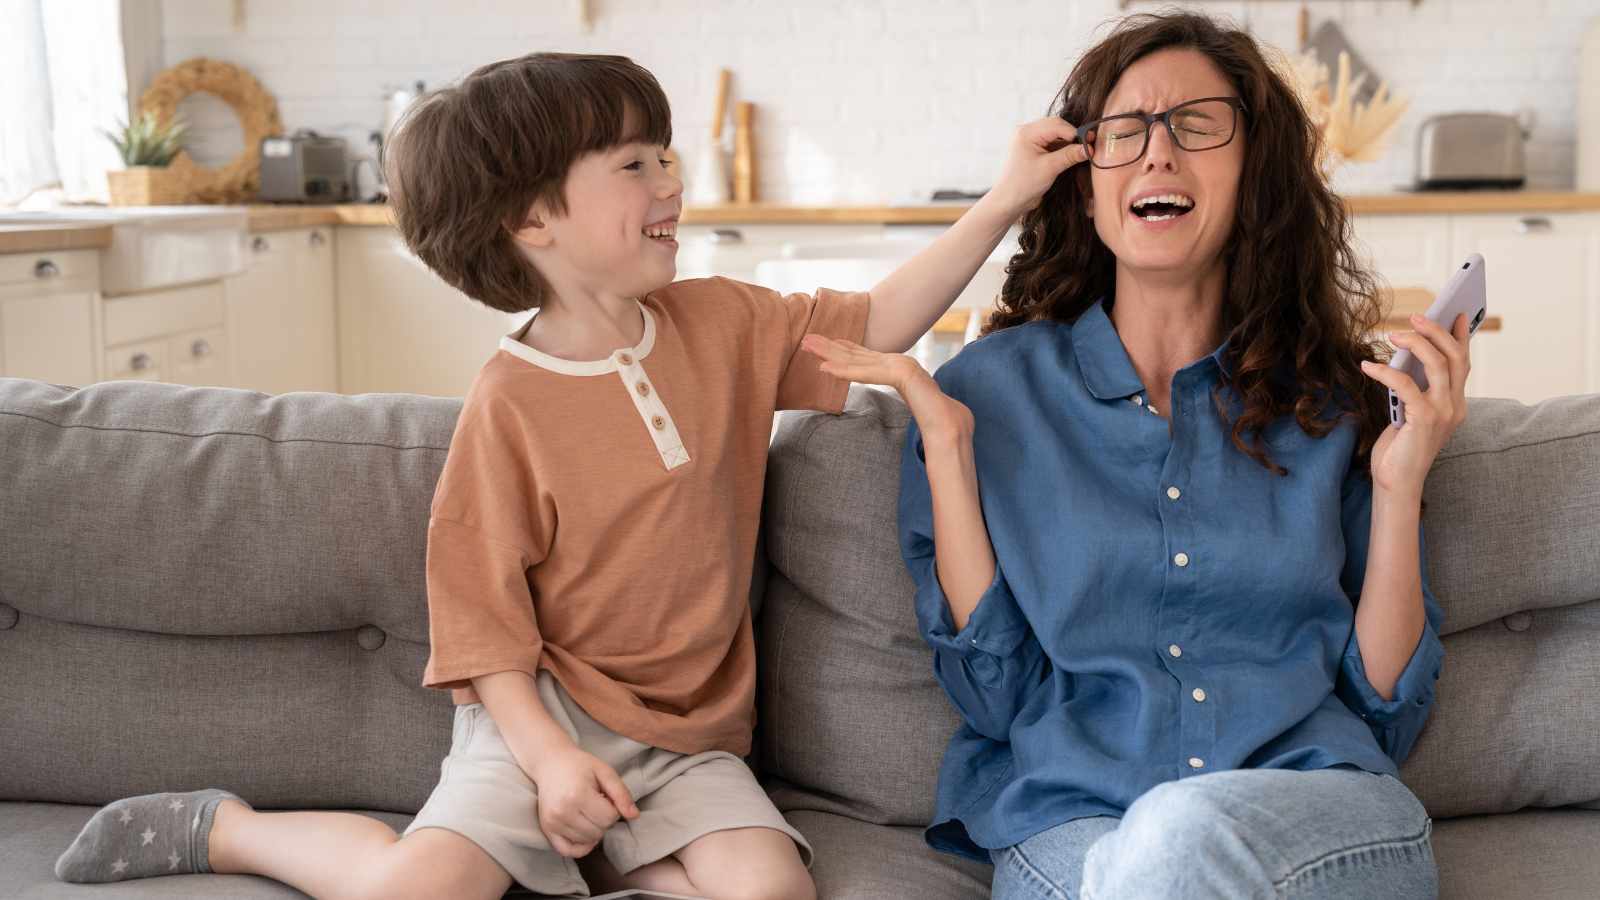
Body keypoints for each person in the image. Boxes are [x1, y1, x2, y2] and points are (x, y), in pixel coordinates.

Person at [54, 51, 1085, 900]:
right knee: (411, 892)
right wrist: (549, 762)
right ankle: (236, 833)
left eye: (664, 156)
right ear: (533, 220)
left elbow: (881, 322)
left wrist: (1004, 198)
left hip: (691, 739)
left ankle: (586, 858)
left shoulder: (725, 323)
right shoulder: (511, 403)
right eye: (633, 165)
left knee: (772, 892)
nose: (670, 181)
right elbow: (483, 624)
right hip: (542, 721)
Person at [802, 12, 1462, 899]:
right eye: (1124, 131)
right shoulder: (987, 395)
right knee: (1161, 852)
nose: (1159, 153)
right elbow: (996, 700)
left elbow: (1384, 707)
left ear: (1254, 173)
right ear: (1083, 185)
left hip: (1310, 812)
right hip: (1075, 823)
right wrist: (951, 451)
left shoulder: (1332, 397)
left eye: (1196, 125)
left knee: (1181, 838)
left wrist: (1399, 483)